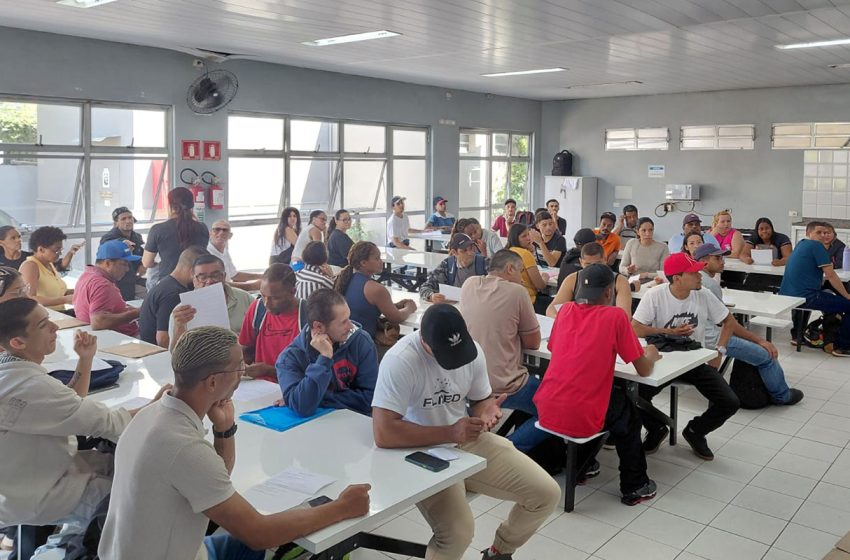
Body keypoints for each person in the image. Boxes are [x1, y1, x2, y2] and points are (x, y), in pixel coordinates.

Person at [98, 326, 371, 560]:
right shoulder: (184, 448)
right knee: (269, 539)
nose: (243, 373)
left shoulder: (152, 414)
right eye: (239, 366)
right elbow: (259, 533)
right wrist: (342, 507)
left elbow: (215, 478)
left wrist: (224, 430)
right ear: (213, 382)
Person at [372, 304, 561, 560]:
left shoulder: (472, 351)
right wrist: (451, 433)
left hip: (463, 440)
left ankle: (499, 552)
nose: (454, 362)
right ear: (424, 341)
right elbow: (384, 433)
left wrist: (486, 411)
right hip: (417, 451)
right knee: (457, 533)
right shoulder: (401, 360)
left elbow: (480, 399)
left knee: (545, 494)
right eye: (446, 355)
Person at [0, 298, 166, 553]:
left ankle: (74, 539)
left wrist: (85, 359)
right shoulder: (30, 386)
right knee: (143, 501)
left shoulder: (12, 372)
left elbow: (69, 405)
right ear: (17, 342)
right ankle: (72, 548)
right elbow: (111, 424)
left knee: (123, 466)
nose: (55, 327)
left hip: (34, 471)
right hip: (38, 492)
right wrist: (160, 405)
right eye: (44, 325)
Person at [536, 264, 662, 506]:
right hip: (581, 412)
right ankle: (635, 485)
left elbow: (556, 348)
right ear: (608, 292)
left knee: (605, 404)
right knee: (628, 415)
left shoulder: (565, 311)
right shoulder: (615, 317)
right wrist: (651, 355)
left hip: (547, 405)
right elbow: (643, 369)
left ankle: (582, 465)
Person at [631, 253, 743, 460]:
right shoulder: (655, 295)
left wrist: (719, 350)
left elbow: (729, 321)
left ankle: (696, 431)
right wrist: (668, 332)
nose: (700, 276)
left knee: (730, 402)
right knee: (634, 395)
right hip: (662, 358)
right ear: (677, 278)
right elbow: (635, 328)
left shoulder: (703, 294)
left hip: (694, 360)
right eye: (694, 273)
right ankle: (656, 428)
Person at [460, 250, 547, 454]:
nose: (522, 279)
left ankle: (498, 447)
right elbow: (533, 343)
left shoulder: (469, 284)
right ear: (509, 269)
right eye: (520, 272)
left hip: (468, 383)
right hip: (504, 385)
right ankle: (506, 450)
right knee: (556, 410)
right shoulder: (517, 292)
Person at [694, 243, 802, 405]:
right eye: (717, 258)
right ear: (704, 262)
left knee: (750, 340)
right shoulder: (709, 284)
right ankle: (782, 396)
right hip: (713, 339)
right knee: (767, 355)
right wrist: (760, 340)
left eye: (722, 257)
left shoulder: (694, 280)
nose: (723, 261)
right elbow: (728, 323)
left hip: (699, 336)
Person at [276, 289, 377, 417]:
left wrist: (317, 399)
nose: (351, 326)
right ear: (318, 327)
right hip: (313, 427)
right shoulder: (289, 358)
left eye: (349, 318)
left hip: (355, 422)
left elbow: (370, 398)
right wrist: (324, 358)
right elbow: (302, 407)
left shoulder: (362, 342)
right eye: (343, 322)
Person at [779, 221, 850, 357]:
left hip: (788, 294)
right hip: (806, 297)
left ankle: (800, 336)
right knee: (847, 304)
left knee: (830, 297)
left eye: (825, 232)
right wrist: (847, 295)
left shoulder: (801, 244)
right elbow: (831, 275)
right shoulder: (817, 246)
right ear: (808, 233)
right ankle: (843, 346)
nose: (823, 235)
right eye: (818, 232)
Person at [334, 241, 416, 340]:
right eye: (377, 258)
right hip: (364, 342)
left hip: (346, 339)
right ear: (363, 263)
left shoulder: (346, 279)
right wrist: (409, 308)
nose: (381, 261)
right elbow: (396, 318)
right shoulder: (375, 289)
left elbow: (364, 308)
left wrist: (396, 305)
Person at [169, 254, 255, 348]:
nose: (209, 281)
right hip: (203, 356)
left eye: (215, 276)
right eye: (202, 277)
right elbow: (174, 352)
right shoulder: (182, 310)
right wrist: (178, 327)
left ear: (224, 276)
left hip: (244, 353)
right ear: (194, 280)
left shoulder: (245, 298)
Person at [239, 264, 308, 380]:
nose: (266, 303)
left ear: (293, 292)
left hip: (294, 387)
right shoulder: (257, 309)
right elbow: (246, 350)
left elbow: (312, 374)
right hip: (259, 386)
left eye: (275, 298)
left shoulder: (308, 316)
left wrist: (269, 371)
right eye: (262, 296)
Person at [143, 187, 209, 289]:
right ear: (192, 205)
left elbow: (146, 262)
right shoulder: (202, 228)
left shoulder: (158, 230)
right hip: (198, 282)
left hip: (168, 284)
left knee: (151, 276)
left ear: (170, 206)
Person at [72, 240, 141, 336]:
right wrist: (137, 313)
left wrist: (126, 309)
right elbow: (99, 322)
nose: (127, 269)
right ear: (108, 263)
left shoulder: (87, 275)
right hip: (120, 338)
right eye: (124, 264)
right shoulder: (102, 284)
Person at [548, 242, 636, 318]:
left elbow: (625, 316)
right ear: (581, 262)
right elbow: (551, 309)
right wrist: (565, 319)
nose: (593, 268)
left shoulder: (620, 281)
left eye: (598, 263)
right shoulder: (572, 279)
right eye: (588, 264)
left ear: (605, 259)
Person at [139, 246, 205, 347]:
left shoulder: (166, 283)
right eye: (203, 275)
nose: (206, 279)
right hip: (157, 352)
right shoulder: (173, 294)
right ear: (193, 271)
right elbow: (163, 340)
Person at [19, 226, 76, 311]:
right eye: (56, 250)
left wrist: (77, 291)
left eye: (61, 250)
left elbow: (56, 293)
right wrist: (64, 300)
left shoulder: (49, 264)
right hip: (43, 315)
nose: (60, 254)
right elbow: (29, 299)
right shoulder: (30, 266)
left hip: (59, 313)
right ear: (41, 249)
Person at [419, 233, 487, 302]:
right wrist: (431, 296)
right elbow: (425, 287)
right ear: (454, 252)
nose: (470, 253)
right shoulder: (447, 265)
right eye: (464, 250)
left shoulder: (485, 263)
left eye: (471, 248)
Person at [99, 206, 146, 301]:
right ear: (115, 223)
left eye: (130, 218)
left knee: (154, 289)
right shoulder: (108, 238)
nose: (128, 221)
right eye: (123, 219)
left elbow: (142, 253)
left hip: (133, 279)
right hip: (116, 282)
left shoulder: (137, 237)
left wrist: (143, 264)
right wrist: (122, 243)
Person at [506, 223, 551, 314]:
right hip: (529, 302)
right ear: (515, 239)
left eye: (528, 234)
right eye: (524, 236)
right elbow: (540, 285)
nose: (528, 238)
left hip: (511, 303)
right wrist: (545, 279)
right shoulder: (525, 254)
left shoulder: (506, 252)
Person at [207, 219, 263, 291]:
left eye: (225, 230)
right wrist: (252, 286)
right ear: (210, 233)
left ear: (230, 236)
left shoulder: (225, 251)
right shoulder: (207, 253)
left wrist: (262, 276)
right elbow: (217, 283)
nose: (221, 233)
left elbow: (234, 275)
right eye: (217, 229)